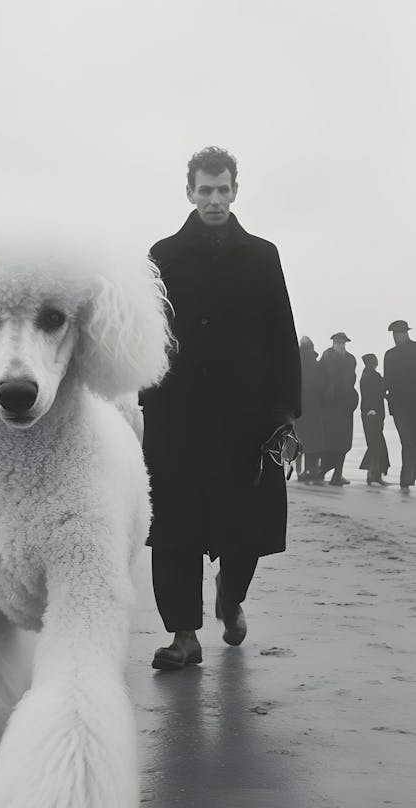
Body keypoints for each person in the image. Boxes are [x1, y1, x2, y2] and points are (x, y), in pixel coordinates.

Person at [141, 146, 300, 668]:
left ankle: (230, 598)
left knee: (245, 526)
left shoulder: (262, 254)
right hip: (177, 413)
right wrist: (145, 394)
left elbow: (281, 330)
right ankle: (183, 635)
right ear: (189, 192)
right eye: (204, 190)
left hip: (246, 415)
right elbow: (146, 335)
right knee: (174, 528)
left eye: (222, 189)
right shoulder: (161, 254)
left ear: (235, 190)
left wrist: (284, 410)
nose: (213, 199)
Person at [319, 332, 358, 485]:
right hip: (332, 406)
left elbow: (350, 381)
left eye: (342, 343)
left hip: (343, 406)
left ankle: (334, 472)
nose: (340, 345)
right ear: (333, 344)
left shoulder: (349, 359)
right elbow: (323, 380)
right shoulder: (328, 358)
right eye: (338, 343)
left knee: (342, 442)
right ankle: (329, 472)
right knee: (333, 441)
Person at [383, 319, 416, 492]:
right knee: (407, 441)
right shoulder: (389, 355)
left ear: (406, 333)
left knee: (411, 442)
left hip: (410, 405)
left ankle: (409, 477)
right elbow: (387, 381)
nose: (396, 337)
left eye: (399, 334)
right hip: (400, 407)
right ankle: (406, 478)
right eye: (394, 335)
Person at [296, 335, 327, 481]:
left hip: (298, 407)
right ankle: (311, 469)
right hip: (315, 406)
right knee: (313, 441)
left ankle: (298, 470)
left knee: (299, 439)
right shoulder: (317, 365)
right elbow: (322, 386)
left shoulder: (294, 363)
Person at [358, 354, 390, 486]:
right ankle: (374, 475)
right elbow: (379, 391)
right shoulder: (371, 376)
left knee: (374, 445)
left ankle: (373, 475)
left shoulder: (367, 375)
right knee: (376, 445)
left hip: (371, 413)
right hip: (372, 414)